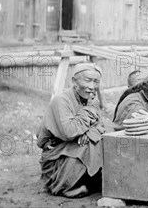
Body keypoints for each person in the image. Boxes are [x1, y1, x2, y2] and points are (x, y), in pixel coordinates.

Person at [36, 63, 106, 198]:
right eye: (87, 80)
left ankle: (87, 181)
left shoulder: (90, 100)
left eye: (96, 81)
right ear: (74, 81)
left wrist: (88, 132)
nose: (92, 87)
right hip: (56, 158)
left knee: (99, 140)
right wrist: (90, 110)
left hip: (71, 148)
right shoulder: (60, 100)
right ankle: (62, 186)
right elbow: (69, 131)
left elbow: (101, 126)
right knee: (85, 145)